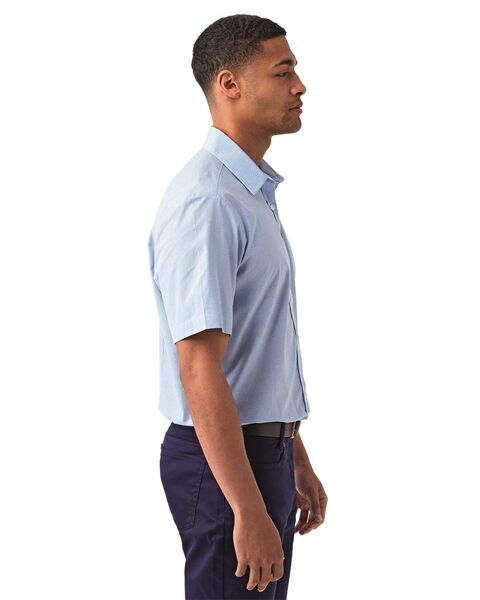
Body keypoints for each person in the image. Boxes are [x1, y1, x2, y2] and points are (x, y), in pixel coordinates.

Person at [147, 14, 327, 599]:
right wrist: (247, 508)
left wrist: (291, 450)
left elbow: (253, 347)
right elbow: (199, 366)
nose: (299, 85)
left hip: (256, 453)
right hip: (224, 463)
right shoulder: (209, 201)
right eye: (283, 71)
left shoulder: (248, 193)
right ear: (230, 84)